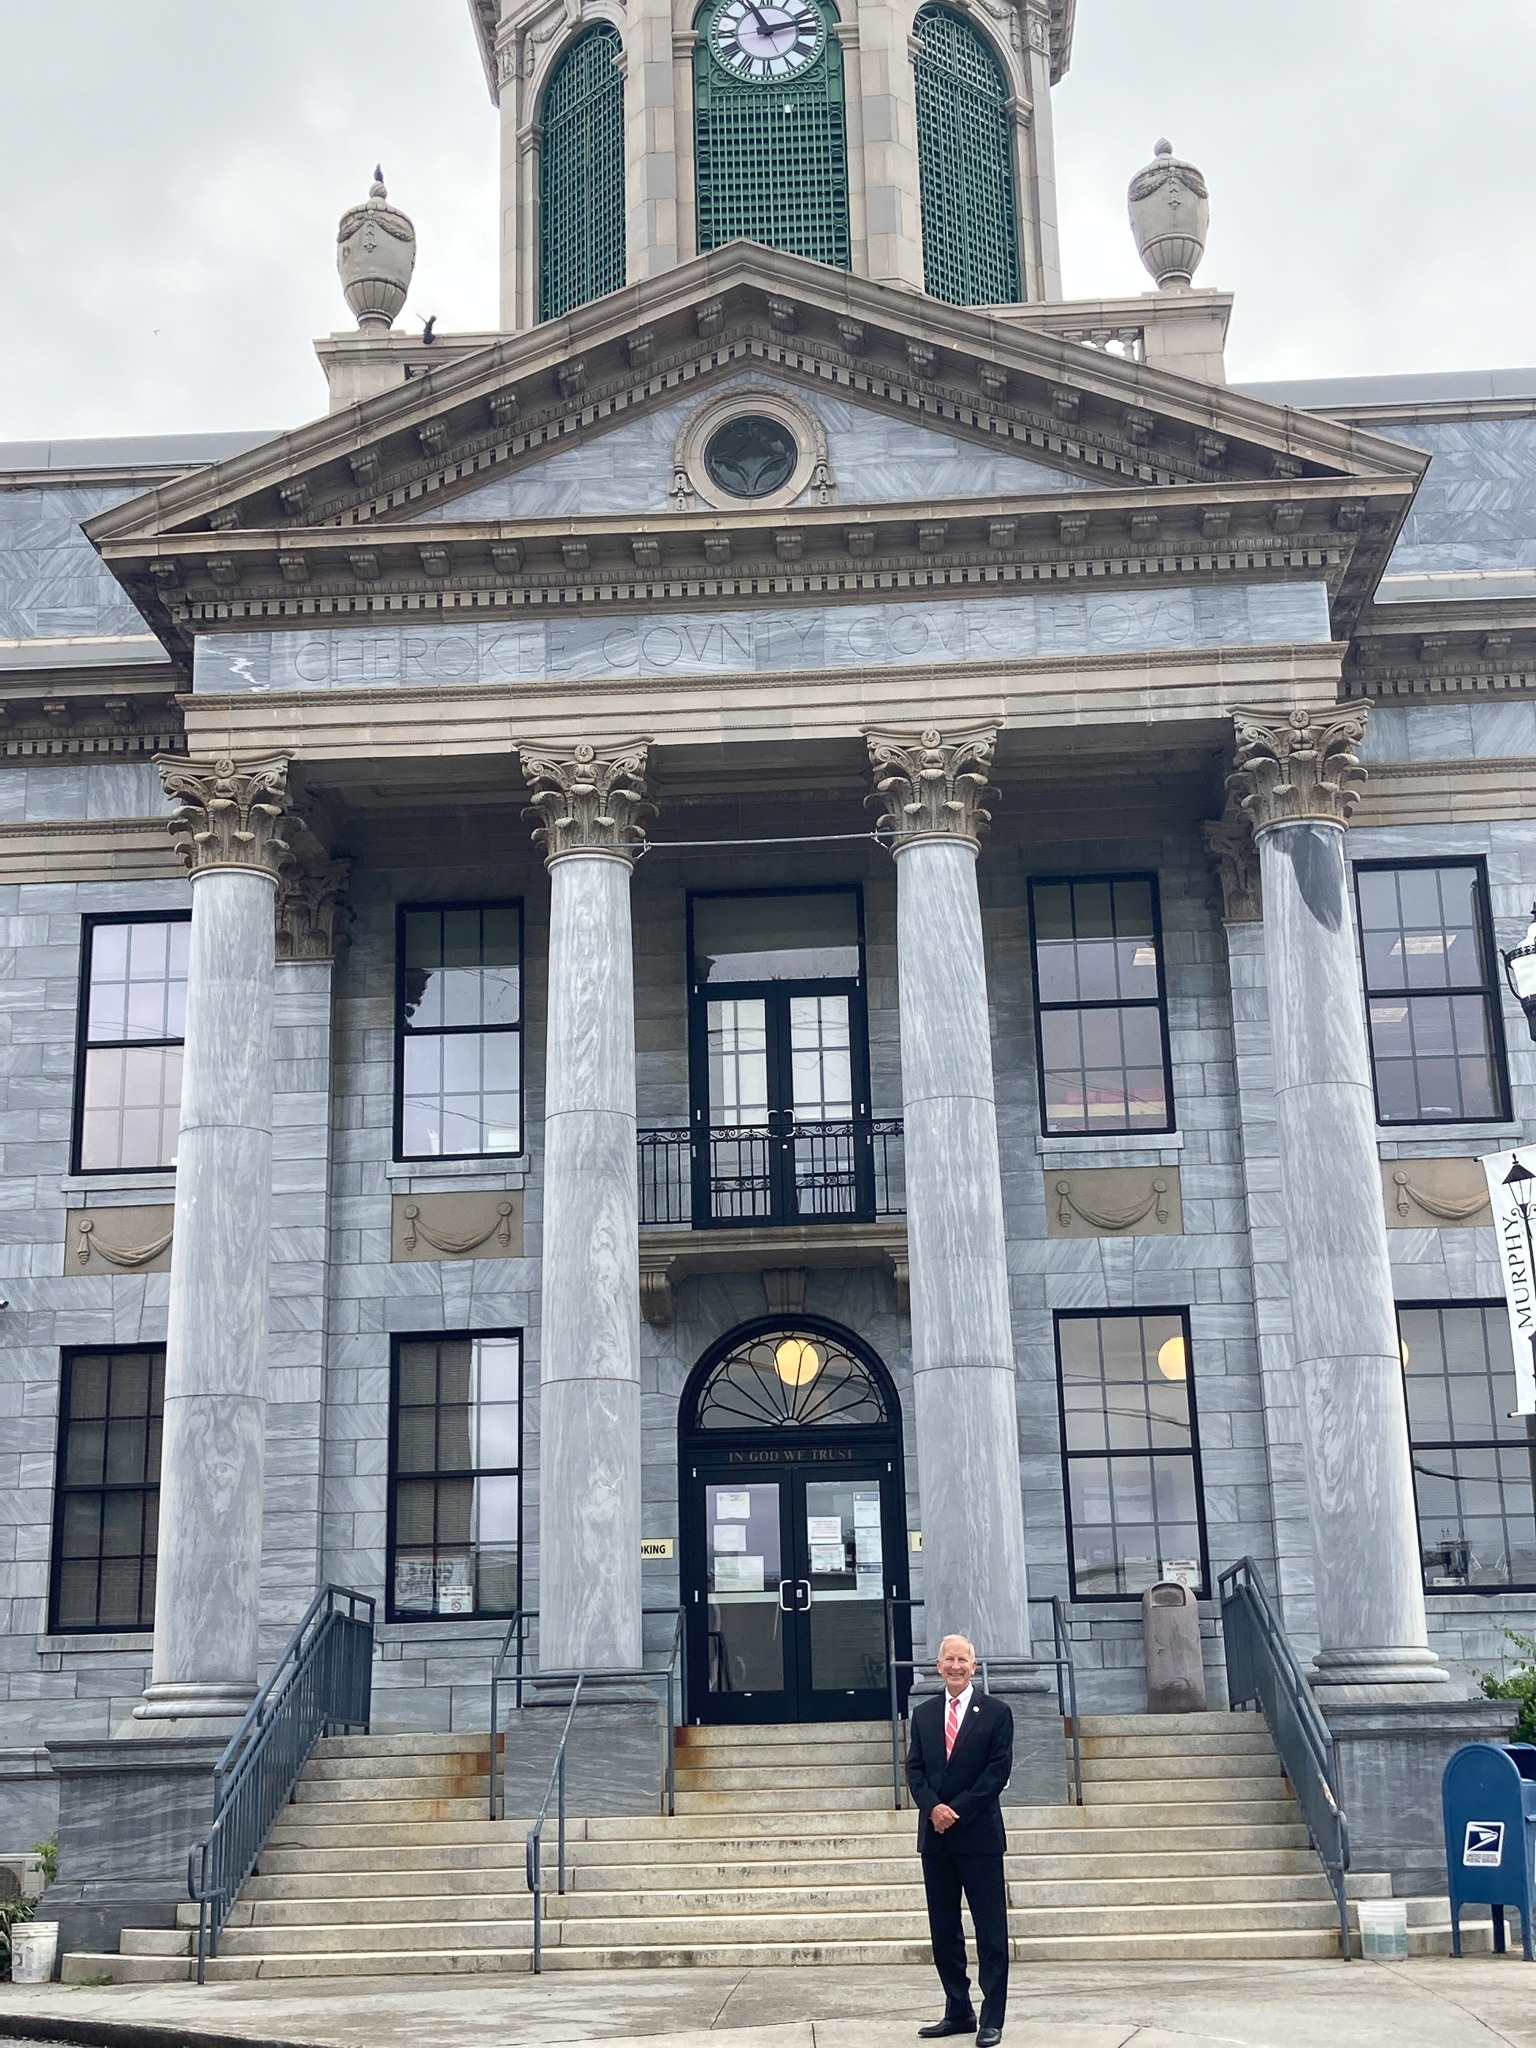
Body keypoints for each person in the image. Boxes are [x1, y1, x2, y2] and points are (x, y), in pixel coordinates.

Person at [905, 1633, 1014, 2046]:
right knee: (944, 1929)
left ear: (974, 1665)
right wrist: (933, 1807)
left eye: (963, 1659)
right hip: (936, 1838)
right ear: (938, 1666)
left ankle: (992, 2017)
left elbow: (996, 1772)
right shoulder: (924, 1714)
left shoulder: (997, 1713)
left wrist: (958, 1810)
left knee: (990, 1929)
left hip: (979, 1836)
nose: (955, 1665)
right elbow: (914, 1769)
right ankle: (958, 2010)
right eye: (949, 1659)